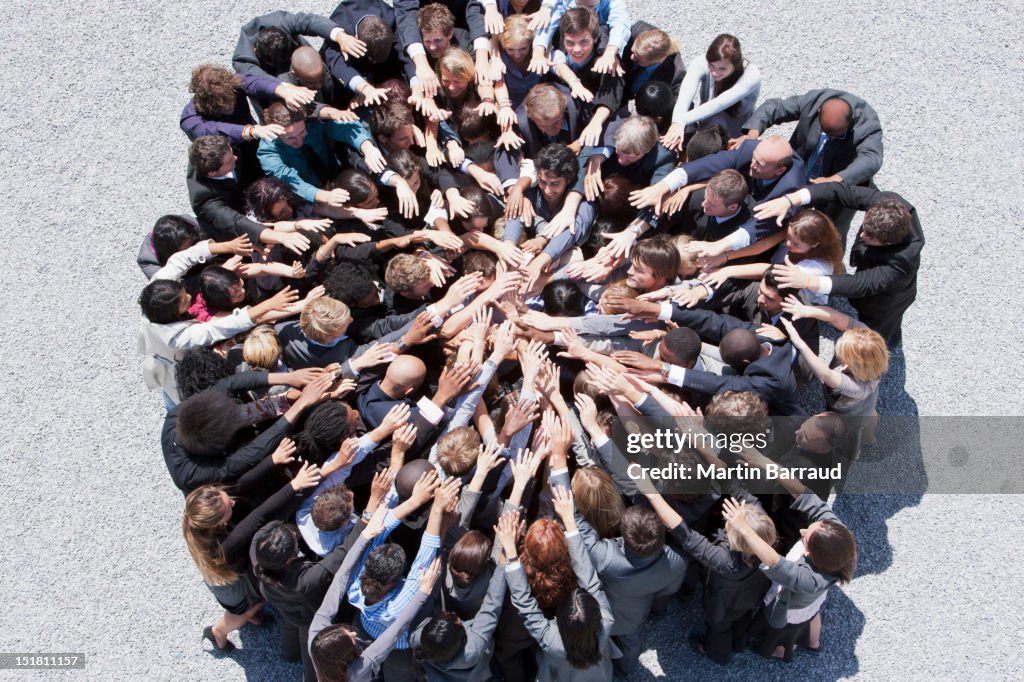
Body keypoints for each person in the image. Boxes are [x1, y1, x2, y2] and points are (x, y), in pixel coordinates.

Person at [760, 183, 924, 347]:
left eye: (869, 236)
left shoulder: (902, 261)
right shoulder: (888, 203)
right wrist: (790, 200)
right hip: (869, 268)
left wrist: (807, 281)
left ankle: (887, 345)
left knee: (874, 335)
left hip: (885, 301)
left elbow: (860, 284)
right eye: (864, 229)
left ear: (887, 243)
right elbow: (839, 191)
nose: (861, 235)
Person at [185, 460, 323, 652]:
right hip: (232, 585)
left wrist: (273, 458)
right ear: (220, 524)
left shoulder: (197, 522)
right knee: (250, 605)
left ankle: (249, 615)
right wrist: (294, 485)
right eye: (229, 507)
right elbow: (260, 516)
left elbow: (239, 485)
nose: (232, 501)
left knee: (255, 600)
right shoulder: (225, 547)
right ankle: (219, 631)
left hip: (231, 570)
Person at [497, 490, 617, 681]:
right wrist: (569, 523)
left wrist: (511, 552)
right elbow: (590, 580)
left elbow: (524, 604)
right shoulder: (607, 621)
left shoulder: (552, 641)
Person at [663, 34, 761, 145]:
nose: (714, 72)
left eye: (722, 68)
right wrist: (676, 124)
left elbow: (720, 103)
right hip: (707, 134)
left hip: (736, 137)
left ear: (735, 65)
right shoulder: (700, 62)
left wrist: (682, 120)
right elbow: (684, 96)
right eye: (711, 65)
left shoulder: (751, 75)